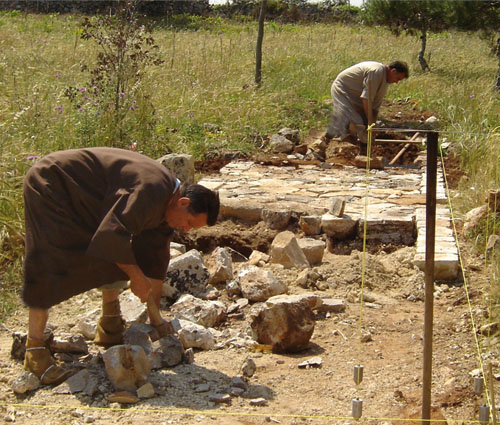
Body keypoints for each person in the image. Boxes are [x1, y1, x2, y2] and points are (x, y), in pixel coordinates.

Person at [22, 147, 220, 385]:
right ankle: (34, 353)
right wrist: (136, 278)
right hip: (52, 182)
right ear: (184, 202)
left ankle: (110, 326)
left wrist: (156, 320)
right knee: (49, 259)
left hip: (85, 195)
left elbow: (154, 262)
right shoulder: (151, 191)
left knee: (123, 254)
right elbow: (110, 237)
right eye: (189, 223)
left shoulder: (168, 208)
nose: (186, 230)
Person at [325, 60, 409, 155]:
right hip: (343, 90)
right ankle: (322, 143)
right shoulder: (376, 71)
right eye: (398, 78)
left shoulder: (385, 83)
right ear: (393, 71)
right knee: (354, 121)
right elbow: (366, 99)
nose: (397, 82)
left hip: (356, 95)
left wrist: (372, 125)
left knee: (364, 125)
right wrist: (370, 122)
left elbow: (374, 108)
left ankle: (362, 152)